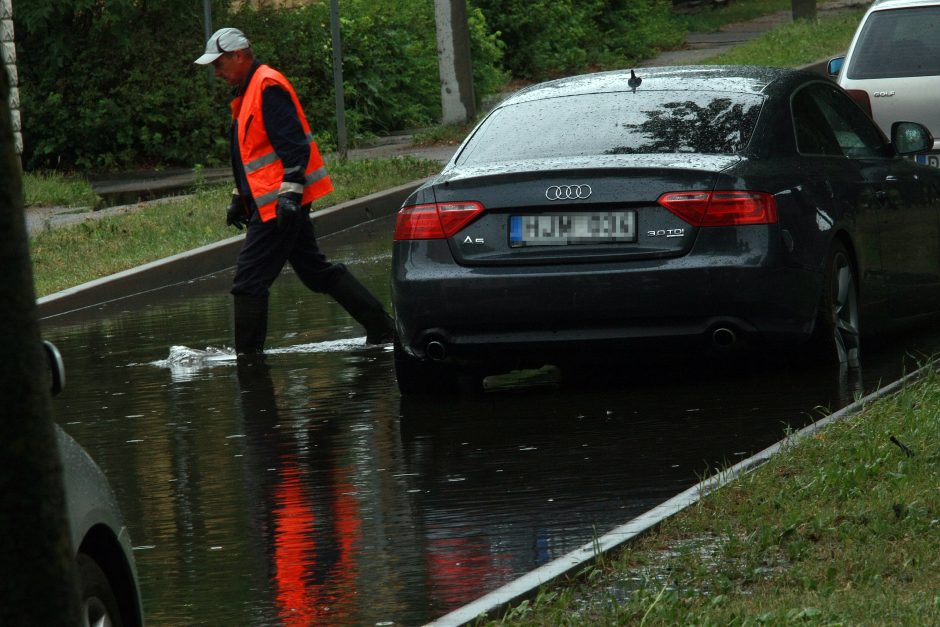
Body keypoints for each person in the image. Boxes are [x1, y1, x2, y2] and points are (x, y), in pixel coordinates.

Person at [194, 27, 394, 358]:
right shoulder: (247, 93)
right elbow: (252, 154)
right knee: (315, 272)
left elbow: (293, 147)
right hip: (272, 201)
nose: (216, 72)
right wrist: (238, 196)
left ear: (239, 56)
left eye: (219, 63)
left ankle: (247, 359)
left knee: (248, 281)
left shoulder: (267, 86)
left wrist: (289, 196)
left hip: (278, 204)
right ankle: (382, 327)